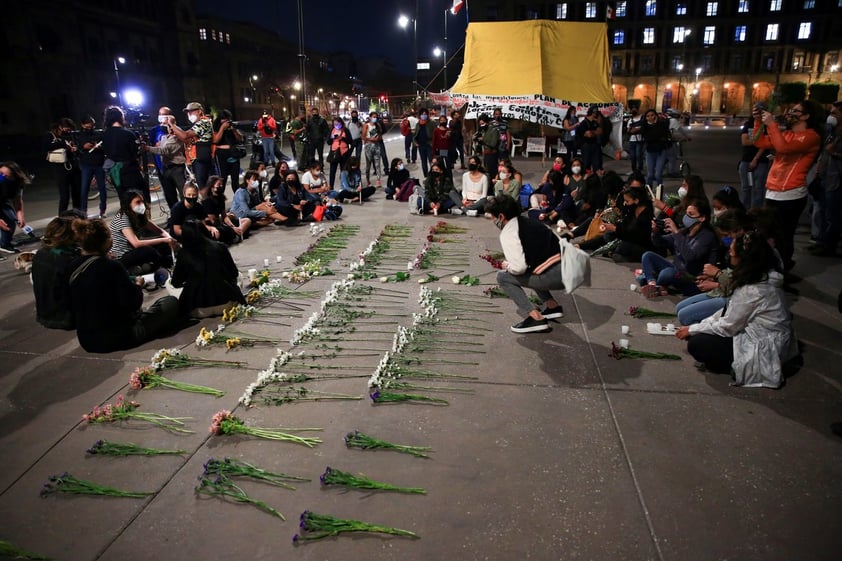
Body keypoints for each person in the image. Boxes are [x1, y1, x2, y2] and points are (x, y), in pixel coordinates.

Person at [676, 230, 796, 389]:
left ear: (743, 258)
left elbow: (729, 326)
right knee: (700, 329)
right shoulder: (759, 275)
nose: (729, 256)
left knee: (698, 344)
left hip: (765, 345)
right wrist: (698, 327)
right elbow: (728, 311)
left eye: (732, 253)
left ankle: (733, 366)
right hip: (764, 334)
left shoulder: (753, 289)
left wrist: (692, 330)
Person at [68, 218, 180, 353]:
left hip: (88, 341)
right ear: (103, 241)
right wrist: (138, 286)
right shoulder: (111, 267)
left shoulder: (73, 266)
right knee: (170, 303)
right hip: (120, 337)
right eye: (110, 235)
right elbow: (133, 302)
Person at [753, 99, 823, 272]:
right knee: (766, 233)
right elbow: (759, 142)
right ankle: (770, 268)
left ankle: (782, 270)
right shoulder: (788, 134)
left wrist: (772, 124)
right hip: (773, 191)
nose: (790, 113)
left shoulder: (811, 136)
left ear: (807, 116)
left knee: (783, 236)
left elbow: (784, 149)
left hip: (791, 194)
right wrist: (758, 121)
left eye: (796, 111)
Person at [487, 195, 565, 334]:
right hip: (570, 267)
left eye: (492, 217)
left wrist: (507, 266)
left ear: (501, 216)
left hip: (557, 275)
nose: (492, 221)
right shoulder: (529, 222)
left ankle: (536, 318)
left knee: (503, 277)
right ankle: (552, 307)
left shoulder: (509, 232)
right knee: (534, 267)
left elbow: (519, 268)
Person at [674, 209, 752, 326]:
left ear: (739, 230)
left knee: (684, 316)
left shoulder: (749, 249)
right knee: (679, 308)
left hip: (734, 298)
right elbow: (731, 272)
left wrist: (717, 277)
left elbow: (745, 287)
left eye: (727, 235)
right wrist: (712, 277)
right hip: (722, 290)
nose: (727, 240)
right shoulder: (734, 245)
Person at [638, 198, 719, 297]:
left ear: (702, 218)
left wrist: (676, 233)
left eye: (691, 214)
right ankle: (653, 284)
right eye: (687, 214)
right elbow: (660, 242)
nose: (687, 217)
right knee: (648, 256)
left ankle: (657, 283)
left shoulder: (706, 236)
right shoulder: (685, 231)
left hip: (691, 277)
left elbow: (690, 257)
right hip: (677, 270)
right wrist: (655, 232)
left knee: (667, 273)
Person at [171, 218, 245, 318]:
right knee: (239, 276)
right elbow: (234, 273)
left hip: (197, 309)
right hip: (226, 304)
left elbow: (175, 283)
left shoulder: (183, 254)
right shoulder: (220, 247)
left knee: (170, 284)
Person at [577, 186, 655, 262]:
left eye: (627, 201)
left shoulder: (646, 214)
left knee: (623, 246)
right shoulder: (632, 211)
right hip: (627, 240)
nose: (625, 203)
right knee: (608, 235)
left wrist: (615, 229)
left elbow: (635, 236)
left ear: (636, 200)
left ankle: (616, 254)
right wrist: (581, 246)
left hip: (642, 246)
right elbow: (623, 227)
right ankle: (582, 246)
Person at [109, 190, 176, 274]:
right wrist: (164, 240)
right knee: (148, 250)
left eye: (142, 201)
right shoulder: (123, 218)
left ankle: (153, 264)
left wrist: (169, 238)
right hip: (121, 257)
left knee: (163, 244)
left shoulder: (138, 215)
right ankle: (164, 264)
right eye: (137, 202)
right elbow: (136, 243)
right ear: (128, 204)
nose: (141, 205)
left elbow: (159, 231)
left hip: (133, 251)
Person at [31, 215, 80, 329]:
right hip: (65, 318)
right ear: (67, 236)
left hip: (44, 312)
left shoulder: (40, 253)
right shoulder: (67, 259)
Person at [810, 101, 842, 257]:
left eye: (835, 113)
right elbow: (823, 153)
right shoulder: (831, 132)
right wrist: (817, 171)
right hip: (824, 176)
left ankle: (830, 246)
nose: (831, 116)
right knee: (821, 212)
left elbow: (831, 153)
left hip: (836, 180)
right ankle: (820, 241)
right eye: (831, 112)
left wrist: (834, 153)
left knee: (832, 215)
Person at [145, 107, 186, 210]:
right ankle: (174, 215)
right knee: (169, 195)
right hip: (165, 168)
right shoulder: (164, 136)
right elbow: (160, 147)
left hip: (177, 168)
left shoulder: (177, 133)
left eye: (164, 115)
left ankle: (186, 215)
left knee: (183, 193)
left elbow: (164, 150)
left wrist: (148, 148)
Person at [102, 106, 146, 201]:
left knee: (124, 199)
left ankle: (127, 215)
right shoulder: (128, 134)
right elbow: (136, 154)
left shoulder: (105, 135)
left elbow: (106, 153)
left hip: (115, 172)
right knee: (137, 198)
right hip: (130, 171)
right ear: (121, 117)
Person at [169, 102, 214, 190]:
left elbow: (185, 136)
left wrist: (172, 124)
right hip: (198, 158)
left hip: (202, 158)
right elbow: (186, 139)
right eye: (188, 112)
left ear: (199, 112)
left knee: (203, 187)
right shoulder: (198, 124)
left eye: (191, 112)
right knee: (202, 185)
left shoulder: (203, 122)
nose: (189, 114)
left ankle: (206, 202)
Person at [46, 118, 81, 215]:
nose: (68, 131)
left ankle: (78, 216)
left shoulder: (70, 135)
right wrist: (63, 144)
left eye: (70, 129)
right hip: (60, 169)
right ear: (60, 127)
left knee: (77, 194)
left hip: (74, 167)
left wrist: (75, 149)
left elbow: (77, 148)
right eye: (67, 128)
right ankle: (62, 218)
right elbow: (46, 147)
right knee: (64, 196)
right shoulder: (50, 135)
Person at [629, 109, 671, 188]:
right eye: (648, 116)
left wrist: (655, 125)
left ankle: (659, 192)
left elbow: (662, 132)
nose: (650, 117)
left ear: (655, 116)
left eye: (652, 115)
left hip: (661, 152)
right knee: (650, 175)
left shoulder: (661, 124)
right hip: (650, 152)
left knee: (658, 175)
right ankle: (649, 192)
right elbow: (648, 137)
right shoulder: (645, 126)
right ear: (645, 118)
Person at [202, 175, 248, 244]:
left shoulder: (220, 198)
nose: (221, 186)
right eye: (219, 185)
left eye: (221, 185)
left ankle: (237, 233)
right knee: (225, 230)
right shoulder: (207, 201)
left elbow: (224, 216)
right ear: (212, 187)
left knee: (246, 220)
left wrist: (232, 226)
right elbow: (213, 221)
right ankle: (237, 234)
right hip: (213, 225)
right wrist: (231, 227)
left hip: (220, 222)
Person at [76, 116, 106, 217]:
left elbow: (105, 146)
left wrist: (99, 146)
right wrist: (82, 147)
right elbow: (76, 149)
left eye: (92, 126)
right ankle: (83, 211)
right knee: (84, 189)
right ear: (82, 125)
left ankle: (102, 210)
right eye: (87, 127)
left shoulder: (99, 134)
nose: (90, 129)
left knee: (102, 188)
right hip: (86, 165)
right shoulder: (79, 135)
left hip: (99, 164)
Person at [738, 113, 769, 209]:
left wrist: (755, 159)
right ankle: (745, 210)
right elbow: (744, 142)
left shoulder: (767, 126)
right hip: (746, 159)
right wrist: (759, 141)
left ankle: (756, 211)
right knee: (746, 188)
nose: (758, 115)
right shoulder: (748, 124)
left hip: (761, 160)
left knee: (759, 188)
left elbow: (765, 145)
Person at [0, 161, 29, 256]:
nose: (2, 177)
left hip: (2, 200)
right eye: (0, 174)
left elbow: (17, 201)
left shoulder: (17, 184)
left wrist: (20, 215)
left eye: (6, 176)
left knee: (11, 220)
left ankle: (4, 244)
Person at [213, 109, 244, 194]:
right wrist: (222, 128)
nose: (226, 121)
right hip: (222, 155)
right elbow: (216, 140)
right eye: (224, 119)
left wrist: (233, 130)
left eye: (228, 119)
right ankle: (220, 202)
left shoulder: (232, 126)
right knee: (222, 179)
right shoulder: (216, 127)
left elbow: (240, 139)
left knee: (235, 180)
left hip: (233, 154)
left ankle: (238, 201)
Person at [576, 106, 603, 174]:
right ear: (592, 113)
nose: (596, 114)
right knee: (586, 164)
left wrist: (592, 132)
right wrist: (594, 132)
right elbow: (589, 135)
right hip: (586, 146)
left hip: (595, 145)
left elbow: (600, 131)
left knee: (596, 164)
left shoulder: (595, 122)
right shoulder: (584, 123)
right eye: (595, 113)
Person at [327, 116, 352, 187]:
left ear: (341, 123)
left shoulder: (345, 130)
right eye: (335, 124)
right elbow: (328, 142)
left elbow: (350, 141)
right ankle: (331, 187)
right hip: (334, 152)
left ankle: (344, 186)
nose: (336, 125)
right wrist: (332, 138)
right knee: (332, 171)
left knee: (344, 171)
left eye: (338, 123)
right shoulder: (332, 130)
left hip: (344, 152)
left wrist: (343, 138)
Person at [474, 114, 499, 183]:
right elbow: (475, 137)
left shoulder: (494, 130)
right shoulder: (483, 130)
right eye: (480, 124)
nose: (481, 125)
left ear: (487, 122)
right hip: (486, 153)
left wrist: (483, 140)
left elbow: (493, 144)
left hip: (492, 154)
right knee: (486, 170)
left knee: (492, 171)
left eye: (483, 123)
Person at [362, 112, 383, 186]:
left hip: (376, 146)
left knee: (377, 164)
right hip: (368, 146)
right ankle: (368, 180)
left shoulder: (378, 125)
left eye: (376, 117)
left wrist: (378, 138)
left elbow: (380, 136)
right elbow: (363, 136)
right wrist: (370, 139)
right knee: (368, 164)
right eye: (373, 117)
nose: (375, 118)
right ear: (370, 117)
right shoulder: (366, 126)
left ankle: (378, 180)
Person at [414, 109, 436, 177]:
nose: (424, 115)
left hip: (429, 145)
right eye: (422, 114)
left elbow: (435, 134)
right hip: (421, 145)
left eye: (425, 114)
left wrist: (433, 143)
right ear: (420, 115)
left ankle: (434, 174)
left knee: (431, 160)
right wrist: (415, 143)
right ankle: (426, 175)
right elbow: (415, 135)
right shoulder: (418, 124)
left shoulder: (431, 123)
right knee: (423, 161)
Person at [626, 107, 644, 175]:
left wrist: (636, 130)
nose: (633, 111)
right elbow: (628, 130)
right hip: (632, 140)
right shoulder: (630, 120)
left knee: (638, 155)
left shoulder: (642, 118)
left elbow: (642, 128)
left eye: (634, 109)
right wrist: (631, 130)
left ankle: (639, 169)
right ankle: (633, 170)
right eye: (632, 109)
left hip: (639, 140)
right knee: (633, 156)